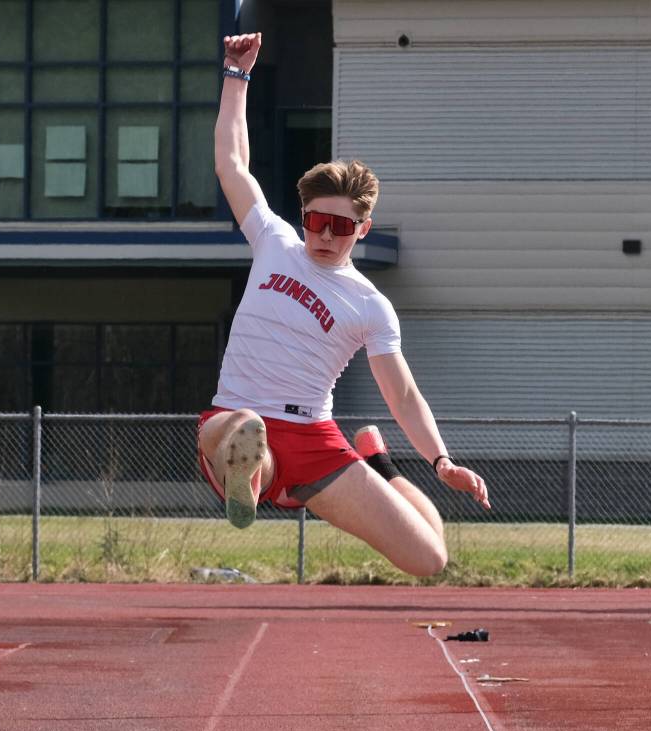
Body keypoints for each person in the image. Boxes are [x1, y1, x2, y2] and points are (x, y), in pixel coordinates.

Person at [197, 33, 490, 578]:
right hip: (242, 412)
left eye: (340, 227)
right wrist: (236, 75)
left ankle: (380, 466)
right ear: (303, 216)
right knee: (236, 426)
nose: (324, 236)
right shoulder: (274, 240)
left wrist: (442, 460)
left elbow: (401, 392)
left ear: (363, 229)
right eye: (316, 221)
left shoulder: (369, 304)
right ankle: (247, 461)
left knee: (429, 559)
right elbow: (233, 163)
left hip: (315, 438)